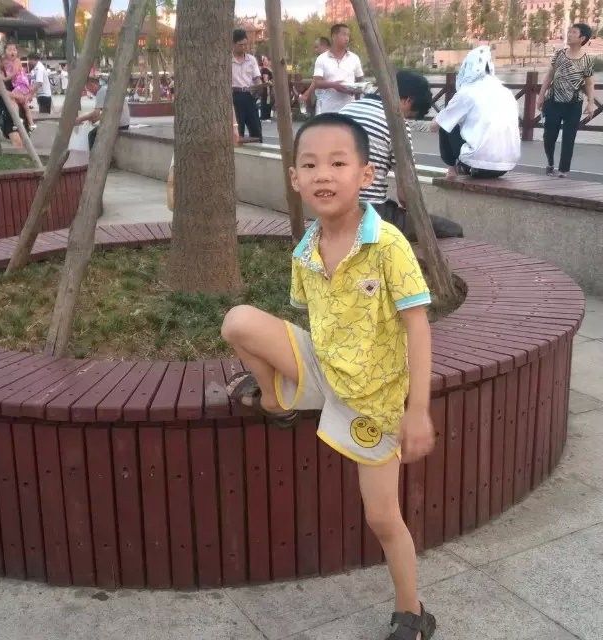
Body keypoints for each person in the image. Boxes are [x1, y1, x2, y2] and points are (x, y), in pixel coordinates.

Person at [222, 113, 437, 640]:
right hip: (323, 368)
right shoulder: (305, 250)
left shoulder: (387, 245)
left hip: (373, 402)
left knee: (382, 517)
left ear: (365, 175)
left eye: (338, 163)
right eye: (311, 164)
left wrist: (417, 411)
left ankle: (413, 612)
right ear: (294, 178)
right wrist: (289, 368)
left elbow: (418, 328)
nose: (324, 174)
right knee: (239, 321)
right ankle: (276, 402)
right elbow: (314, 319)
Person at [340, 71, 462, 241]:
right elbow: (405, 193)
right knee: (453, 230)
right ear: (408, 100)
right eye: (411, 115)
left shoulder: (346, 110)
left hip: (334, 206)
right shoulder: (397, 124)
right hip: (368, 213)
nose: (407, 120)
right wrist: (415, 214)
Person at [431, 46, 520, 179]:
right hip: (506, 166)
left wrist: (441, 117)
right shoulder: (506, 92)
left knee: (446, 124)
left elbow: (434, 127)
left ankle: (451, 171)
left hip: (477, 164)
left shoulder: (467, 92)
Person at [537, 23, 595, 178]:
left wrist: (590, 103)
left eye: (573, 32)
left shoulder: (587, 60)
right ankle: (550, 163)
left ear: (582, 38)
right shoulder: (559, 54)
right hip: (553, 101)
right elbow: (549, 76)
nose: (569, 34)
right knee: (549, 136)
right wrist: (541, 96)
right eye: (569, 31)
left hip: (573, 104)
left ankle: (564, 170)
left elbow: (589, 83)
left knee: (569, 138)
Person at [312, 24, 364, 114]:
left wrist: (356, 91)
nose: (347, 38)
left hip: (350, 111)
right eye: (344, 34)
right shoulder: (322, 58)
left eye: (348, 35)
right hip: (328, 110)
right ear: (334, 36)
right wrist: (334, 85)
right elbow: (317, 82)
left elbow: (360, 80)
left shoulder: (354, 58)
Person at [75, 75, 130, 151]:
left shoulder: (101, 92)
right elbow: (107, 112)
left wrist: (80, 119)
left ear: (93, 85)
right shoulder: (106, 89)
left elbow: (96, 113)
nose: (90, 92)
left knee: (92, 135)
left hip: (118, 124)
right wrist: (93, 119)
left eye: (89, 89)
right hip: (124, 123)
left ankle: (93, 156)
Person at [231, 28, 263, 142]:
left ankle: (258, 147)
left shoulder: (251, 60)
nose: (244, 47)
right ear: (233, 44)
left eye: (245, 44)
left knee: (256, 130)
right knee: (238, 130)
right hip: (234, 96)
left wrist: (259, 88)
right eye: (241, 45)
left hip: (249, 95)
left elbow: (257, 78)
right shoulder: (227, 60)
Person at [1, 41, 36, 130]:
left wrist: (5, 79)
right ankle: (31, 124)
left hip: (21, 84)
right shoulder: (6, 62)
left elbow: (14, 72)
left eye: (14, 50)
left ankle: (17, 120)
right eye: (9, 50)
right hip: (20, 85)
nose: (12, 52)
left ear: (17, 52)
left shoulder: (17, 61)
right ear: (5, 52)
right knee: (24, 105)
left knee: (12, 98)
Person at [299, 37, 331, 114]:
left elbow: (316, 80)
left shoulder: (322, 58)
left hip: (324, 99)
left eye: (317, 47)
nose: (315, 50)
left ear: (323, 45)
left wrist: (306, 94)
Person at [259, 56, 274, 122]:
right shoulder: (265, 70)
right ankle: (264, 117)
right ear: (263, 62)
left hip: (269, 87)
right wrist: (269, 85)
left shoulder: (268, 69)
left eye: (267, 60)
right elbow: (265, 79)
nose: (266, 61)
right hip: (266, 87)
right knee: (265, 101)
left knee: (268, 101)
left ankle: (267, 116)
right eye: (265, 60)